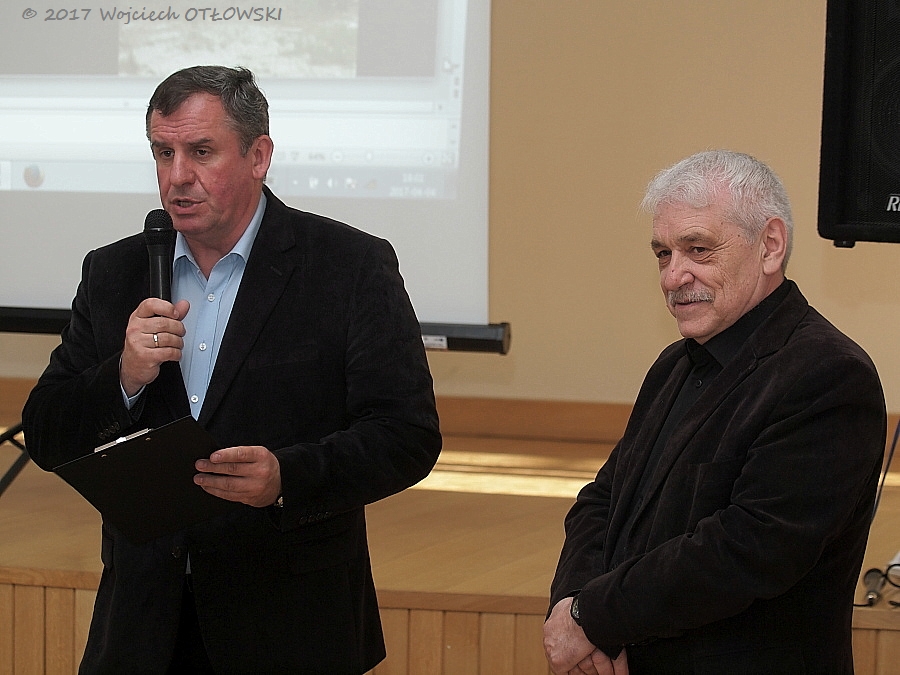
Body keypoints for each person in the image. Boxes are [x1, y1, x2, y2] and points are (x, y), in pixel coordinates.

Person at [22, 65, 441, 674]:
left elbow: (407, 435)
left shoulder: (348, 266)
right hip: (143, 631)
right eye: (162, 153)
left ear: (258, 156)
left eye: (201, 152)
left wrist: (287, 477)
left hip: (290, 628)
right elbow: (46, 434)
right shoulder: (114, 272)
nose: (176, 177)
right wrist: (124, 376)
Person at [543, 150, 886, 675]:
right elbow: (603, 499)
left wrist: (593, 617)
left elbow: (750, 549)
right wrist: (571, 604)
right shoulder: (674, 364)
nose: (672, 276)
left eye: (698, 249)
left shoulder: (829, 373)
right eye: (663, 254)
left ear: (770, 246)